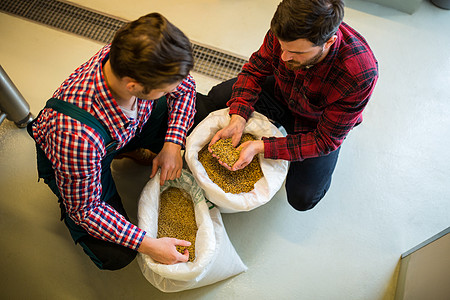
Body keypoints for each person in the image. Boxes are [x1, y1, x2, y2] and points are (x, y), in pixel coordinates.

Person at [28, 13, 196, 270]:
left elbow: (186, 87)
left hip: (120, 133)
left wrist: (172, 144)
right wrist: (149, 244)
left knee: (195, 115)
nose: (172, 91)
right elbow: (86, 210)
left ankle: (125, 151)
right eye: (164, 90)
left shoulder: (130, 56)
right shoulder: (75, 137)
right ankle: (113, 157)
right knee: (117, 255)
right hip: (81, 156)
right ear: (133, 86)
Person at [194, 0, 378, 211]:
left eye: (297, 53)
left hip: (317, 122)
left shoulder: (359, 73)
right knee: (219, 96)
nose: (284, 57)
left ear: (328, 42)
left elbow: (324, 140)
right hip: (283, 92)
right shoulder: (287, 30)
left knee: (303, 197)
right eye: (283, 47)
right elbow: (255, 71)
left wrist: (261, 146)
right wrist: (239, 115)